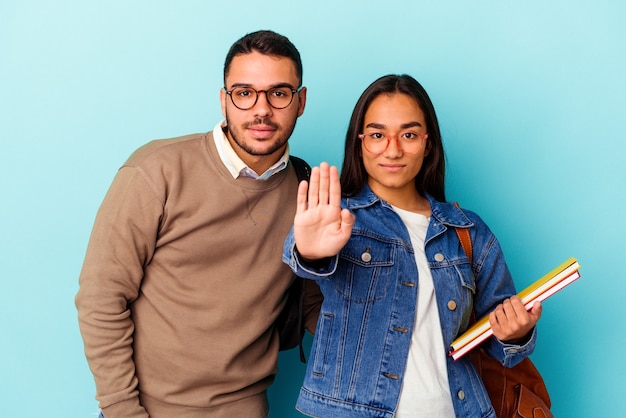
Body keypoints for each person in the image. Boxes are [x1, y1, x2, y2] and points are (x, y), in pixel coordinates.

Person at [76, 30, 321, 418]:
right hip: (148, 409)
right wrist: (123, 410)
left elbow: (316, 308)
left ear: (301, 101)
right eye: (244, 93)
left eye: (279, 93)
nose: (261, 110)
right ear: (224, 100)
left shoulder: (306, 192)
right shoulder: (157, 170)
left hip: (248, 408)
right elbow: (101, 298)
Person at [282, 74, 543, 417]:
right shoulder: (336, 216)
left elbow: (500, 342)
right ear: (359, 142)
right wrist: (311, 252)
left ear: (427, 142)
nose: (393, 149)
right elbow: (302, 258)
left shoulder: (467, 231)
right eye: (377, 135)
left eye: (408, 135)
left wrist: (516, 333)